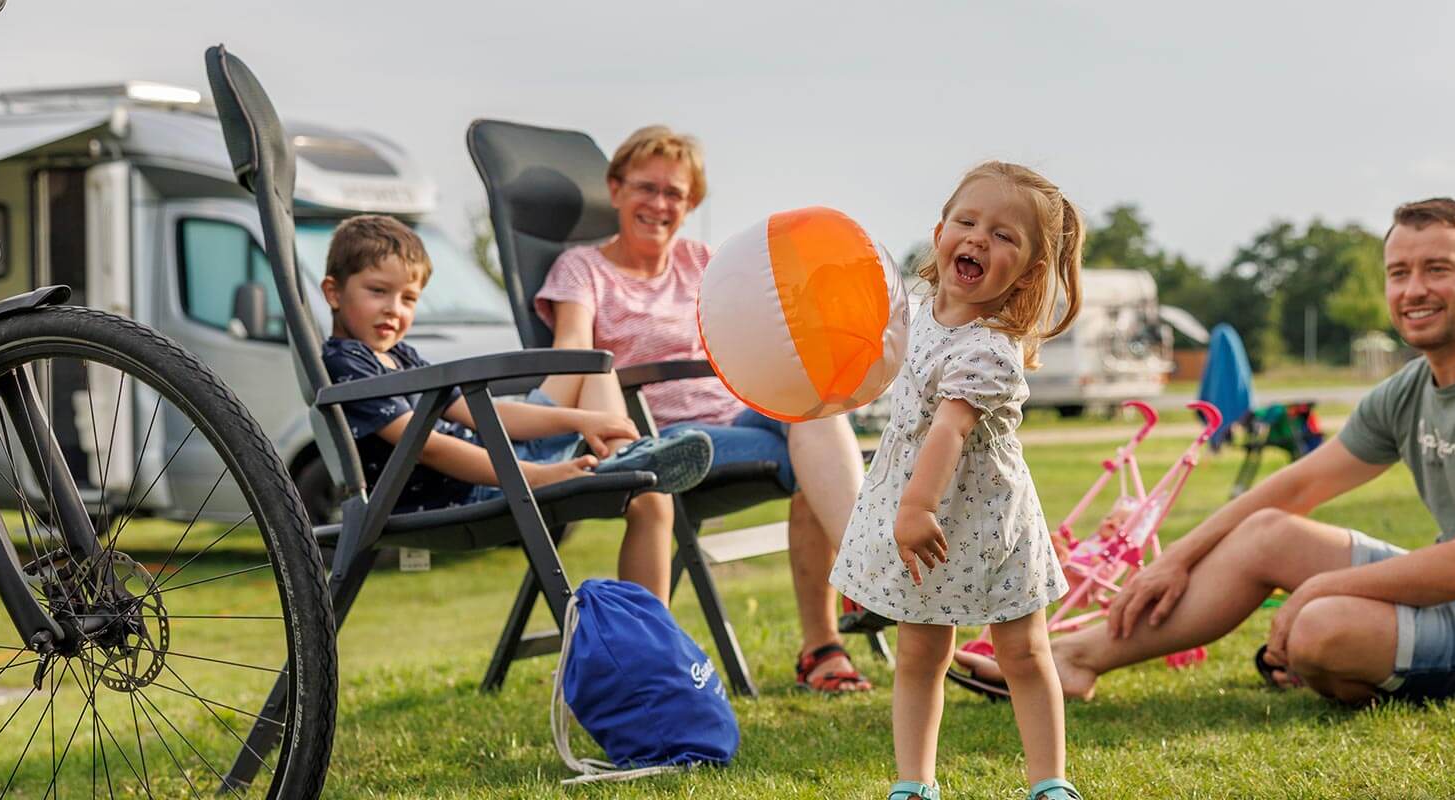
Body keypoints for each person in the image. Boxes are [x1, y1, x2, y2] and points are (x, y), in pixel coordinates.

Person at [1046, 197, 1455, 706]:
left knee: (1322, 628)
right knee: (1268, 531)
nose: (1414, 289)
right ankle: (1073, 659)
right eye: (1399, 272)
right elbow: (1296, 487)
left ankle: (1341, 661)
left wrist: (1320, 588)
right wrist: (1175, 558)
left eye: (1437, 269)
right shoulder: (1412, 388)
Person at [534, 125, 874, 692]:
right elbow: (574, 352)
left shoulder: (702, 263)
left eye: (676, 194)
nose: (661, 204)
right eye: (647, 188)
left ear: (690, 204)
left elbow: (755, 333)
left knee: (816, 407)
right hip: (664, 439)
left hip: (738, 421)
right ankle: (832, 634)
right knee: (811, 449)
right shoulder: (582, 270)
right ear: (615, 190)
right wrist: (541, 418)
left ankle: (860, 578)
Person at [829, 161, 1086, 800]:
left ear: (1028, 271)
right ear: (940, 230)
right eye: (968, 222)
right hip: (920, 516)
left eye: (1004, 236)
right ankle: (914, 784)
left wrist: (917, 505)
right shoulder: (912, 311)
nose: (978, 238)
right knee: (921, 655)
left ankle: (1049, 783)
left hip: (982, 521)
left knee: (1023, 652)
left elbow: (948, 431)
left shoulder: (990, 347)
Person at [320, 214, 713, 596]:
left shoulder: (401, 356)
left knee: (595, 367)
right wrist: (533, 476)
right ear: (333, 292)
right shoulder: (348, 363)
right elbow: (427, 446)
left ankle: (623, 459)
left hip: (498, 467)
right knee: (648, 493)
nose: (394, 308)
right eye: (377, 291)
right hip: (462, 491)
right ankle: (624, 465)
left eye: (409, 298)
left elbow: (484, 414)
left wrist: (584, 420)